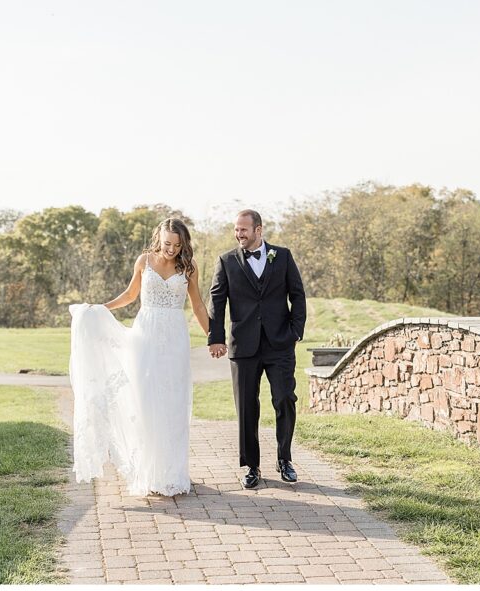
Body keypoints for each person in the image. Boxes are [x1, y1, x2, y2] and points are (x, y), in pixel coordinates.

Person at [68, 218, 210, 496]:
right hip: (145, 337)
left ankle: (172, 472)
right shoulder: (144, 261)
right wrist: (100, 309)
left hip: (175, 340)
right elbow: (130, 295)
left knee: (173, 404)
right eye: (168, 243)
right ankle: (148, 471)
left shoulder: (189, 267)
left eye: (177, 245)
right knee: (146, 403)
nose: (171, 250)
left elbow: (197, 305)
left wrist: (213, 336)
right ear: (159, 238)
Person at [208, 209, 307, 489]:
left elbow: (297, 295)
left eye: (244, 229)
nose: (239, 234)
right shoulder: (226, 261)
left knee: (285, 398)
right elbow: (217, 302)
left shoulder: (283, 256)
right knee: (246, 408)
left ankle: (284, 459)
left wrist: (296, 331)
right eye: (236, 230)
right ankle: (252, 466)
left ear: (258, 230)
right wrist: (215, 338)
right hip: (244, 345)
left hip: (280, 344)